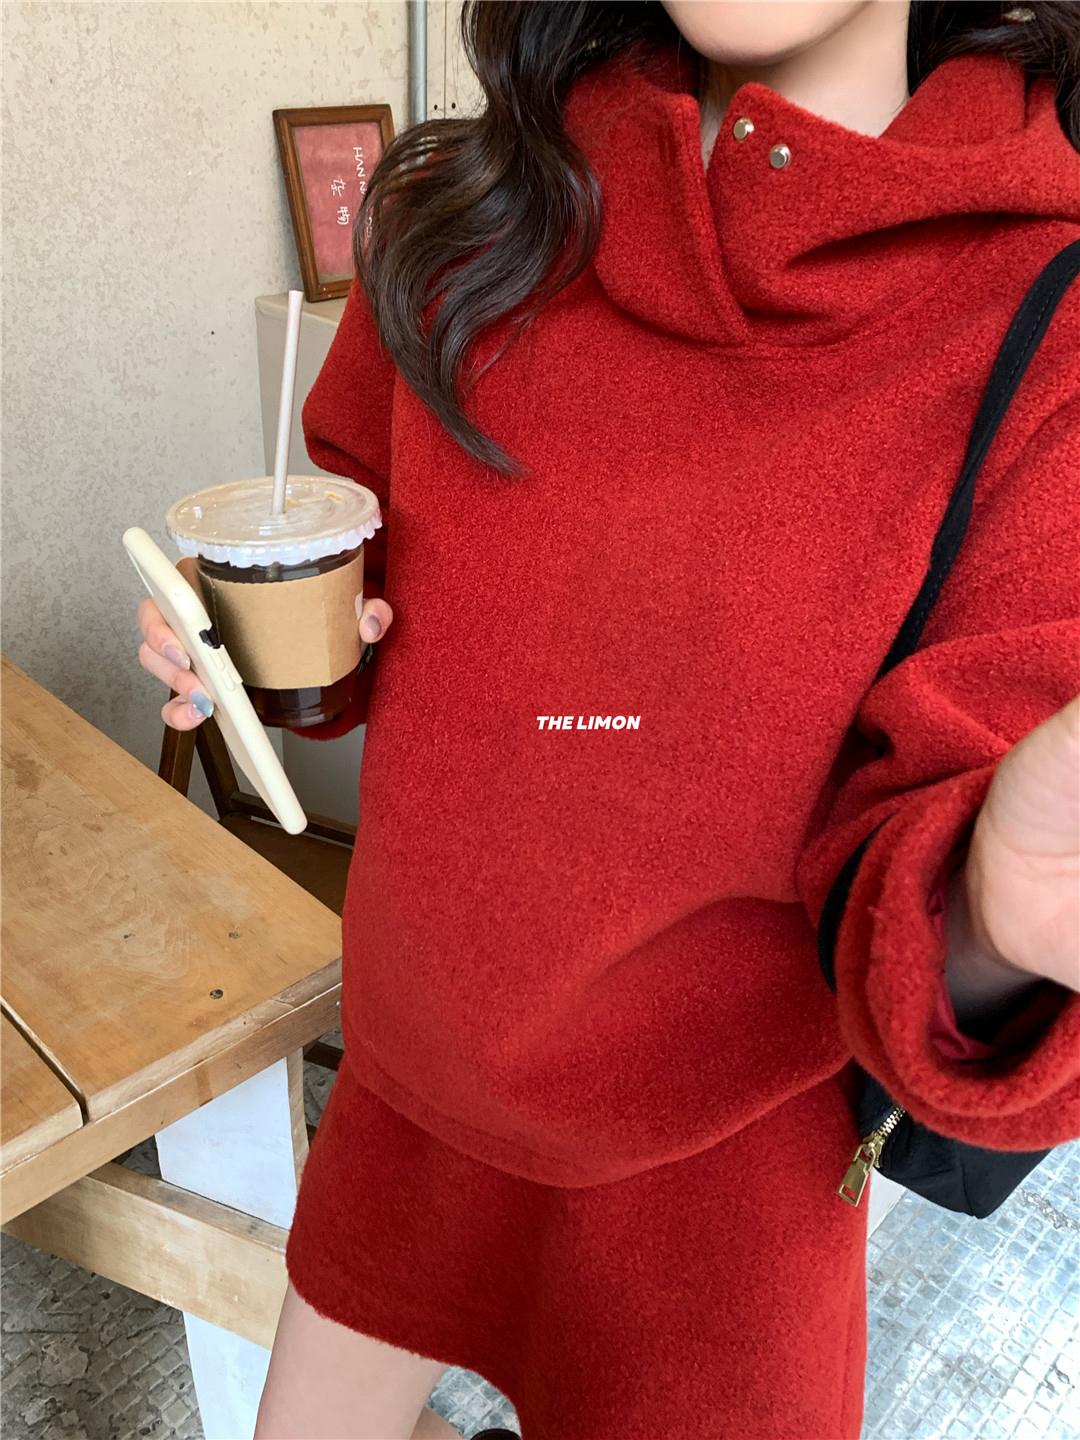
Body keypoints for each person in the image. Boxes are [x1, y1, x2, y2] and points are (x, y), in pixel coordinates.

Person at [136, 2, 1080, 1436]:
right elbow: (374, 587)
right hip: (407, 1078)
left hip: (721, 1176)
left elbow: (949, 860)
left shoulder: (1044, 321)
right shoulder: (470, 213)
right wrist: (252, 643)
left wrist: (994, 930)